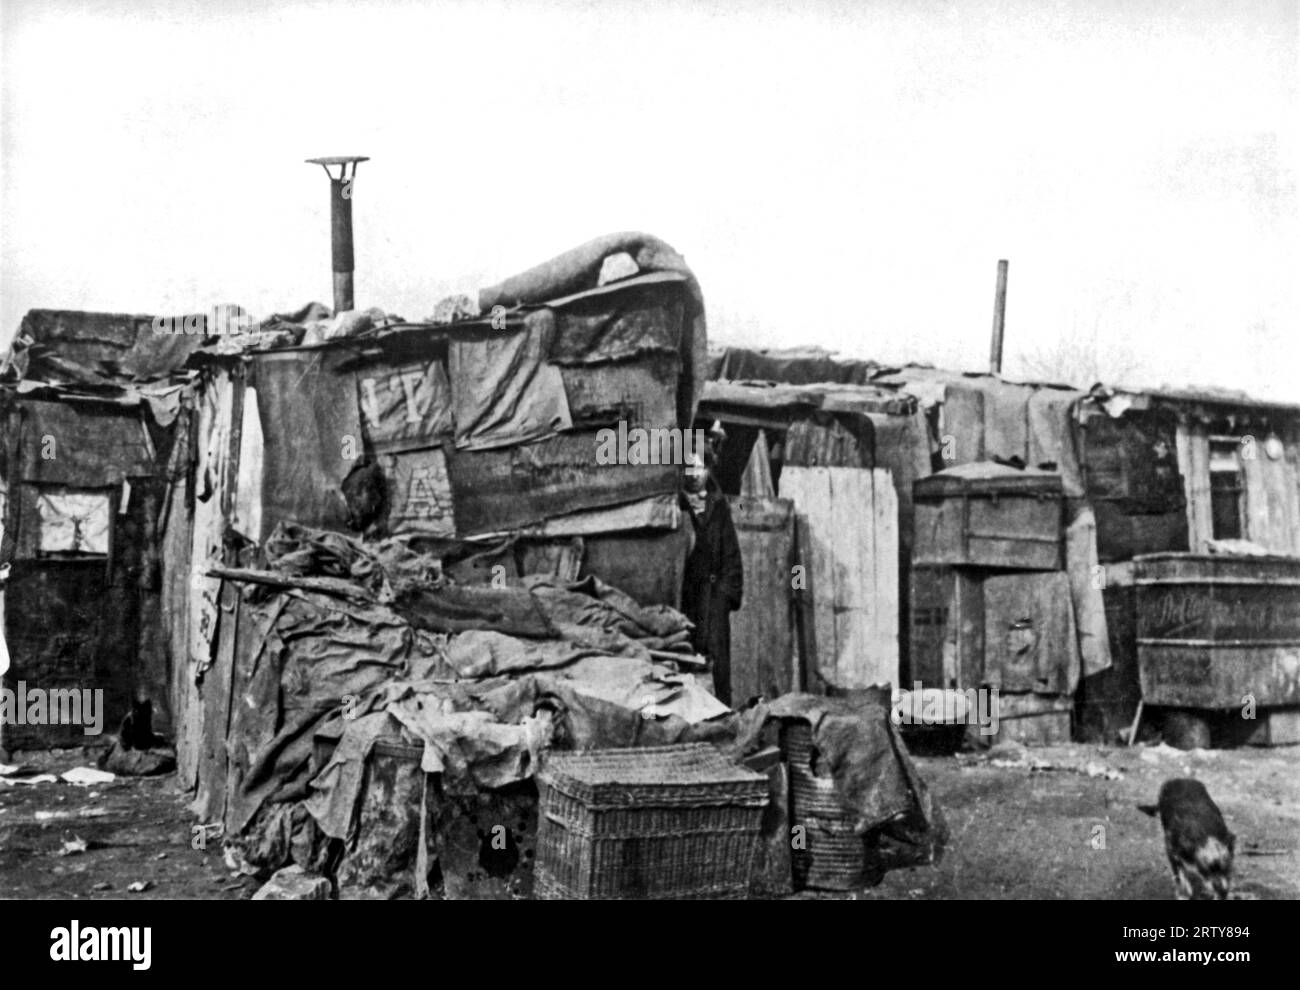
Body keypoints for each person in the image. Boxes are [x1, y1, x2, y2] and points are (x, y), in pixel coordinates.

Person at [680, 429, 743, 706]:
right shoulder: (675, 503)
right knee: (684, 662)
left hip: (713, 600)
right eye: (688, 467)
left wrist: (725, 597)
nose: (694, 473)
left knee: (717, 669)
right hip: (686, 600)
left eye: (700, 467)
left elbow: (732, 557)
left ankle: (722, 719)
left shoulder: (718, 506)